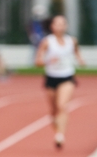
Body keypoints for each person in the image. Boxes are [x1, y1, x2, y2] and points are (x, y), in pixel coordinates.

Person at [35, 15, 85, 149]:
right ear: (52, 26)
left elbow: (76, 52)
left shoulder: (72, 41)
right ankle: (57, 129)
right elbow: (37, 61)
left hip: (67, 76)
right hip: (51, 77)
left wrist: (80, 60)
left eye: (63, 24)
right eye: (57, 24)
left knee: (62, 106)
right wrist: (47, 61)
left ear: (66, 26)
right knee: (53, 110)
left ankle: (60, 135)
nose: (61, 26)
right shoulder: (47, 42)